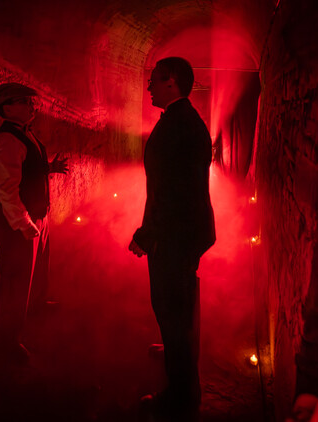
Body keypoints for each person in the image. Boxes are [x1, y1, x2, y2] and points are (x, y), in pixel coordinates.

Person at [129, 57, 216, 418]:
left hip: (174, 235)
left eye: (154, 80)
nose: (148, 86)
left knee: (172, 310)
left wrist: (146, 235)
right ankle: (177, 357)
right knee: (179, 307)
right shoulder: (182, 119)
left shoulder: (179, 125)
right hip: (184, 231)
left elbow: (171, 193)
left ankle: (181, 398)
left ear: (172, 81)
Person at [0, 82, 68, 362]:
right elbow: (6, 190)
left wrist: (48, 168)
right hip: (19, 222)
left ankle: (36, 306)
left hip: (36, 215)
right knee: (16, 281)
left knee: (38, 269)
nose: (33, 106)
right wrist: (24, 224)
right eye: (25, 102)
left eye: (32, 102)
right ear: (7, 108)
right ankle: (6, 340)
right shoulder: (6, 141)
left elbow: (26, 169)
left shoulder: (23, 134)